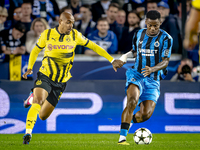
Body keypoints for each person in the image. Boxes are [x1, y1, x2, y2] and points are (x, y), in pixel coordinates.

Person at [22, 12, 123, 144]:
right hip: (45, 75)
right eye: (68, 22)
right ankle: (28, 133)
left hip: (61, 81)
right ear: (60, 21)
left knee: (43, 116)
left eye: (73, 22)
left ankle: (31, 97)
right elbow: (35, 50)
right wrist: (30, 67)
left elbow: (94, 46)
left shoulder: (76, 35)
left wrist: (111, 60)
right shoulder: (47, 34)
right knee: (38, 100)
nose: (71, 25)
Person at [117, 10, 173, 145]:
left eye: (156, 26)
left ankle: (129, 121)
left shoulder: (166, 39)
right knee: (132, 101)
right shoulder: (138, 33)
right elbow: (134, 52)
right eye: (150, 25)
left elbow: (166, 61)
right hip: (136, 74)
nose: (153, 28)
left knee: (145, 115)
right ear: (146, 22)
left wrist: (152, 69)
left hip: (153, 79)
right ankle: (122, 139)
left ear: (160, 23)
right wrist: (123, 57)